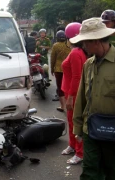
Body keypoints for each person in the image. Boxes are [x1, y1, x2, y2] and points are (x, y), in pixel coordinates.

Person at [72, 17, 115, 180]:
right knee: (89, 171)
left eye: (85, 42)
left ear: (96, 41)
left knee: (111, 171)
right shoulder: (88, 64)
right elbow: (81, 97)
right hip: (90, 129)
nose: (83, 46)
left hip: (112, 132)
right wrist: (78, 127)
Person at [61, 22, 88, 164]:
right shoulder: (77, 51)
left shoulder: (76, 53)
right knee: (71, 122)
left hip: (74, 94)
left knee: (76, 123)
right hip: (70, 92)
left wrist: (71, 97)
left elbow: (77, 77)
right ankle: (72, 145)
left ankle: (80, 152)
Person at [50, 30, 71, 112]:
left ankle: (63, 106)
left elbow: (52, 59)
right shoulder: (69, 45)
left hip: (58, 69)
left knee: (60, 87)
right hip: (68, 69)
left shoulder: (55, 45)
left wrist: (51, 69)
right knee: (68, 86)